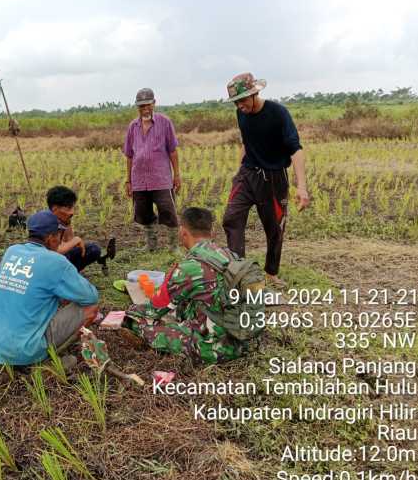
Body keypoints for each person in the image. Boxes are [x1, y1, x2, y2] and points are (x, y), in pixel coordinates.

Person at [124, 207, 263, 364]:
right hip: (242, 338)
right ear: (211, 232)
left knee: (136, 323)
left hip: (216, 349)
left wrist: (130, 311)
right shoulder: (230, 255)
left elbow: (153, 310)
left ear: (183, 232)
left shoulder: (188, 267)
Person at [222, 73, 310, 288]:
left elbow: (295, 150)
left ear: (255, 93)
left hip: (273, 179)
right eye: (236, 101)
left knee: (274, 229)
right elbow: (246, 141)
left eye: (243, 100)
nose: (240, 105)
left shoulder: (277, 113)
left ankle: (271, 273)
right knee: (231, 218)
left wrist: (302, 187)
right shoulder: (241, 113)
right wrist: (238, 171)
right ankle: (238, 272)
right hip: (247, 174)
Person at [0, 210, 99, 365]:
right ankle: (47, 359)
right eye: (59, 236)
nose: (60, 241)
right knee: (90, 307)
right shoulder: (55, 261)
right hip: (24, 351)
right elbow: (91, 296)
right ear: (51, 238)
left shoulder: (12, 251)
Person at [123, 88, 181, 251]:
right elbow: (129, 155)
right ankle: (151, 245)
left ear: (154, 103)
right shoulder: (132, 127)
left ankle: (173, 247)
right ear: (137, 107)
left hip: (161, 178)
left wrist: (176, 175)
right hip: (139, 179)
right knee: (143, 213)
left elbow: (173, 151)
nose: (145, 109)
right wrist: (128, 180)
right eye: (141, 106)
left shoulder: (164, 122)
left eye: (148, 105)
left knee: (169, 212)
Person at [46, 185, 115, 273]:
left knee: (93, 249)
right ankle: (65, 275)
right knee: (63, 256)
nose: (72, 212)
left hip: (60, 256)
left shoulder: (63, 218)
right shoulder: (46, 223)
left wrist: (74, 244)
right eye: (68, 208)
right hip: (49, 262)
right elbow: (55, 251)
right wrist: (76, 240)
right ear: (55, 209)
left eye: (72, 207)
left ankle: (72, 272)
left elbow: (69, 239)